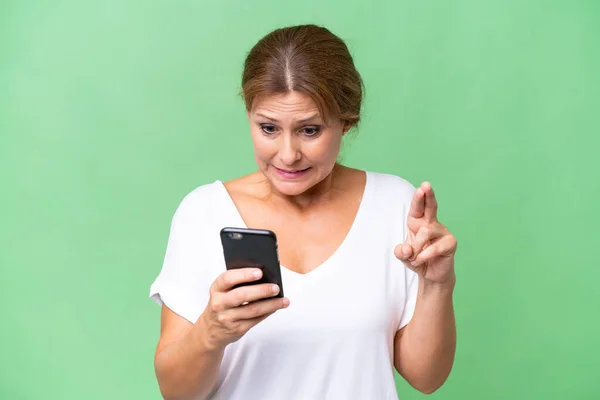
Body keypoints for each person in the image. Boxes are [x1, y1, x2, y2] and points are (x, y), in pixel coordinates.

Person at [149, 24, 457, 400]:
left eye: (310, 130)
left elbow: (427, 378)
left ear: (346, 121)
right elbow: (176, 393)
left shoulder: (394, 204)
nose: (288, 154)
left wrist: (437, 284)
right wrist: (211, 332)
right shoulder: (203, 214)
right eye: (268, 128)